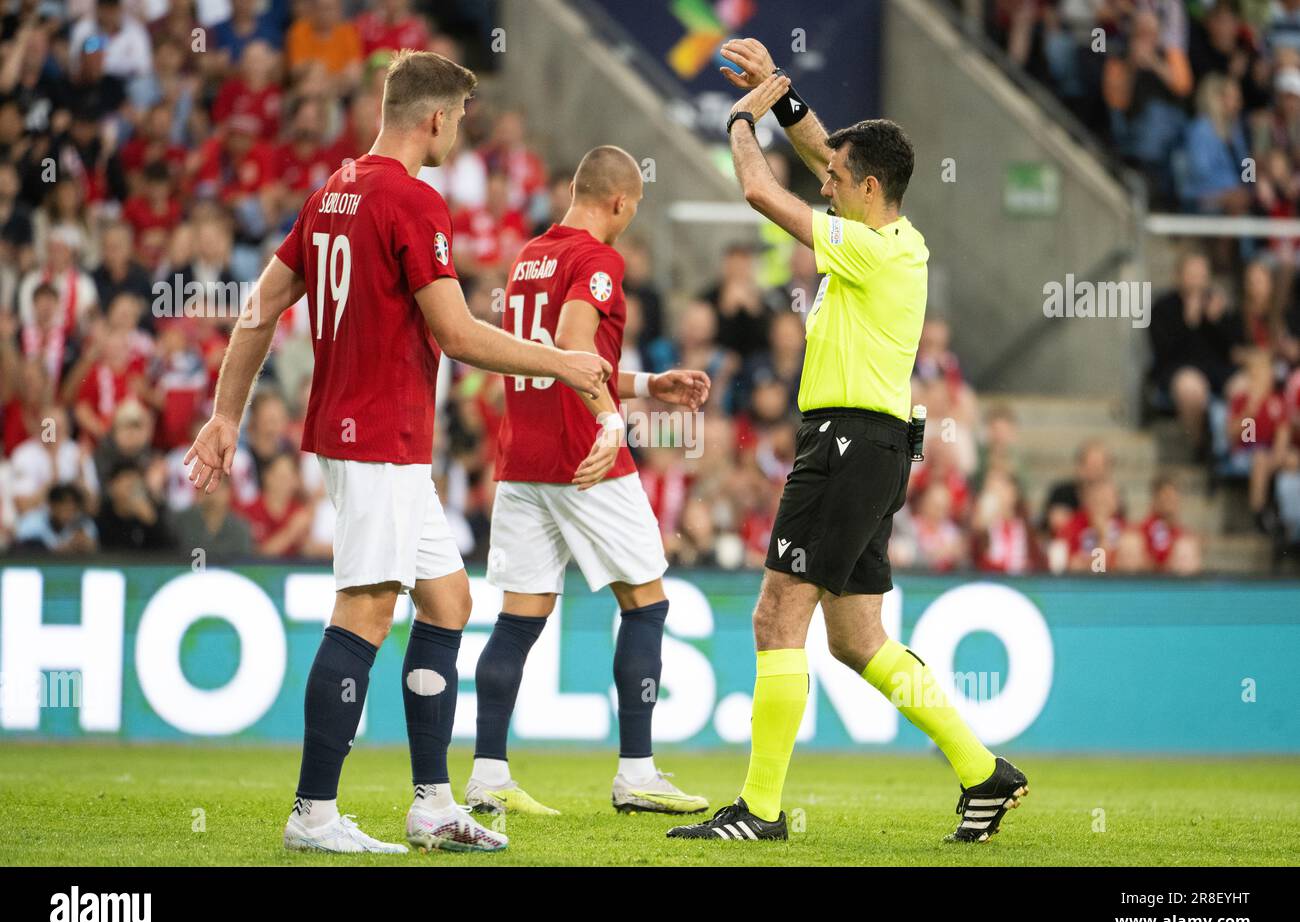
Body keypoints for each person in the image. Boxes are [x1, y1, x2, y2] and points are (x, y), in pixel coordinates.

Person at [183, 50, 612, 856]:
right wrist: (562, 360)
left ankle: (431, 804)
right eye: (460, 120)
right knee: (367, 609)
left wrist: (224, 415)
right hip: (376, 437)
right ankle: (313, 813)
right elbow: (454, 333)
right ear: (435, 119)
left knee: (447, 601)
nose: (461, 135)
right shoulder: (413, 201)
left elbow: (262, 303)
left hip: (378, 442)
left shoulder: (333, 192)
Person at [667, 38, 1027, 844]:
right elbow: (818, 154)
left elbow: (762, 192)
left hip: (847, 445)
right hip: (873, 444)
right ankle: (983, 771)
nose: (823, 179)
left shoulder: (864, 250)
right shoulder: (892, 238)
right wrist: (783, 95)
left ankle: (759, 812)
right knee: (859, 640)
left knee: (776, 617)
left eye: (835, 178)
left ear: (868, 189)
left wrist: (740, 119)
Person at [469, 145, 711, 816]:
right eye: (633, 210)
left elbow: (558, 356)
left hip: (524, 458)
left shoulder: (529, 259)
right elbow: (575, 338)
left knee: (518, 620)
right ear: (620, 203)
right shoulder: (598, 259)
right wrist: (611, 423)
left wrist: (644, 385)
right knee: (647, 604)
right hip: (586, 456)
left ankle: (487, 776)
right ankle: (637, 773)